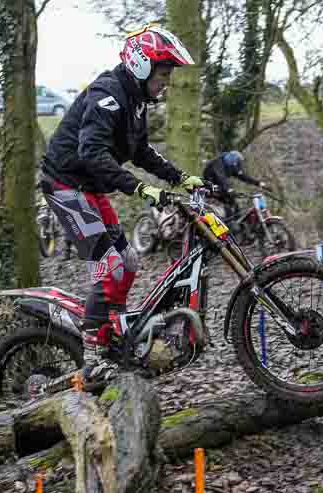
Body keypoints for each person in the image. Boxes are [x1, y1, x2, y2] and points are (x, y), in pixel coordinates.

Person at [39, 24, 204, 387]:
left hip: (89, 188)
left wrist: (178, 177)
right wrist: (140, 189)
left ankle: (112, 334)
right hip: (65, 187)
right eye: (164, 75)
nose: (168, 83)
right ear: (142, 66)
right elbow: (92, 152)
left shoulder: (136, 102)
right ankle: (94, 355)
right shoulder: (107, 96)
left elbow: (141, 151)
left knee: (128, 262)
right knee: (109, 263)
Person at [203, 150, 266, 221]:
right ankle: (229, 224)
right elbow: (220, 178)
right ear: (232, 160)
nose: (238, 165)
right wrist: (229, 189)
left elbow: (243, 176)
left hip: (221, 186)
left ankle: (236, 224)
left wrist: (258, 183)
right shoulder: (218, 163)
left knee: (235, 205)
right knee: (229, 204)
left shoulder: (231, 165)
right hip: (211, 186)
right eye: (237, 162)